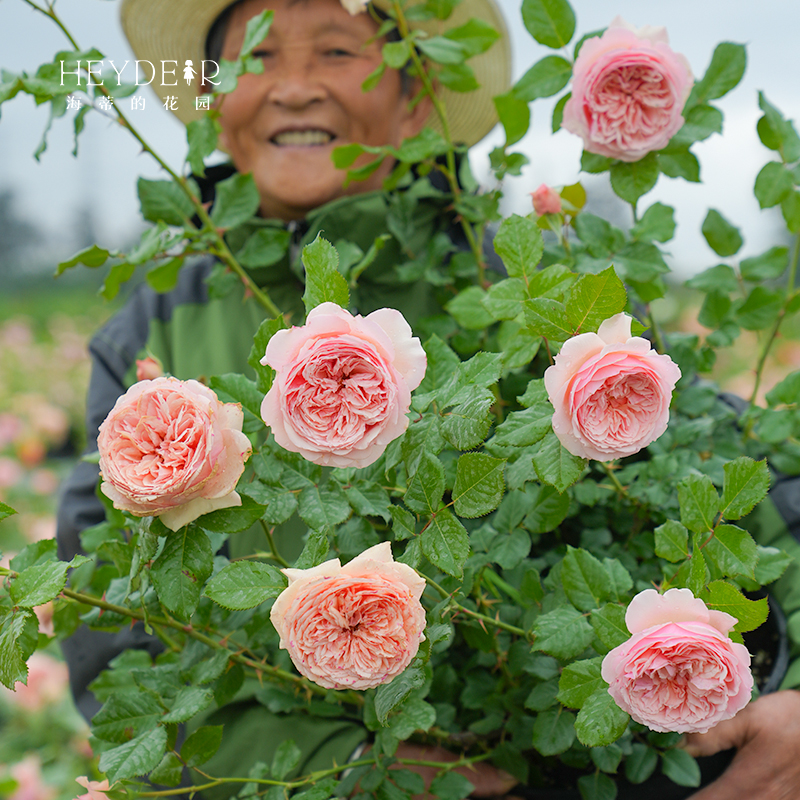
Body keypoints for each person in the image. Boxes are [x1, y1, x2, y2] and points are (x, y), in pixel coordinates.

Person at [56, 0, 514, 796]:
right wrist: (340, 776)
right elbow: (109, 610)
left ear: (414, 102)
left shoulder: (508, 295)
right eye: (256, 58)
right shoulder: (154, 326)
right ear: (211, 105)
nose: (294, 88)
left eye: (337, 52)